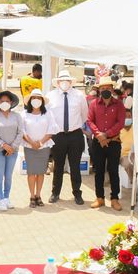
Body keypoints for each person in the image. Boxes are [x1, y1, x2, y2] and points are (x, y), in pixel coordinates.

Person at [45, 69, 89, 205]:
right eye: (62, 80)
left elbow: (84, 115)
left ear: (71, 82)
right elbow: (47, 116)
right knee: (58, 165)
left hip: (75, 135)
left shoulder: (79, 95)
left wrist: (74, 126)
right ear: (58, 82)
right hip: (58, 135)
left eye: (67, 80)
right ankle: (55, 192)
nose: (64, 82)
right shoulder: (50, 96)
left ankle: (77, 193)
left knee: (75, 166)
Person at [86, 76, 126, 210]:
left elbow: (120, 122)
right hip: (98, 142)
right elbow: (89, 121)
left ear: (112, 89)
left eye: (108, 88)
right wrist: (99, 134)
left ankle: (114, 198)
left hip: (114, 141)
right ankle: (100, 198)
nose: (105, 90)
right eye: (103, 88)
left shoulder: (119, 104)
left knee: (113, 170)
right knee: (99, 171)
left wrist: (106, 134)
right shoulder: (93, 104)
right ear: (99, 90)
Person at [21, 89, 57, 208]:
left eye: (38, 98)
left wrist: (41, 143)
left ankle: (38, 195)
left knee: (41, 172)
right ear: (30, 100)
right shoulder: (24, 114)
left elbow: (51, 130)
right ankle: (32, 196)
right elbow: (22, 131)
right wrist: (32, 143)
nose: (36, 100)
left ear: (42, 100)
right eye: (34, 98)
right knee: (31, 173)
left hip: (44, 147)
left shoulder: (48, 114)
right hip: (29, 147)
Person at [0, 90, 23, 211]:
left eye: (7, 101)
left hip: (13, 151)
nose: (4, 103)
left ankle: (7, 197)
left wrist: (12, 147)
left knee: (8, 176)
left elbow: (20, 132)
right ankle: (1, 199)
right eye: (2, 101)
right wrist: (3, 145)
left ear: (11, 102)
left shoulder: (17, 116)